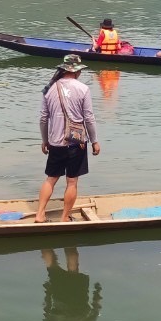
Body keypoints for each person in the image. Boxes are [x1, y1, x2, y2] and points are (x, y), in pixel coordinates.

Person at [36, 53, 100, 223]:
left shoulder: (49, 88)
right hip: (76, 142)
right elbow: (89, 118)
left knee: (51, 179)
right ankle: (64, 217)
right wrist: (94, 141)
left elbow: (43, 118)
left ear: (64, 69)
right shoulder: (83, 89)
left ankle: (39, 214)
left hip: (55, 142)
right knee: (72, 182)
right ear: (77, 71)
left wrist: (45, 140)